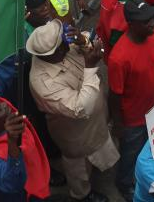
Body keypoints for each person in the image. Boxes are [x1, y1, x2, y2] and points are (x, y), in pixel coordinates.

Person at [27, 20, 116, 202]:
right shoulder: (42, 83)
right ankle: (81, 194)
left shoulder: (65, 47)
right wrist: (90, 67)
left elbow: (97, 44)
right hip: (75, 133)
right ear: (56, 51)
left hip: (97, 121)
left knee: (99, 145)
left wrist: (83, 41)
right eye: (64, 44)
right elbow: (80, 108)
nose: (69, 43)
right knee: (79, 167)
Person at [108, 0, 154, 200]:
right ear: (132, 25)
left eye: (151, 17)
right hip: (133, 119)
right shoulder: (119, 58)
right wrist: (118, 124)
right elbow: (115, 94)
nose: (152, 23)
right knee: (131, 154)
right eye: (146, 20)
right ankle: (124, 183)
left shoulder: (153, 35)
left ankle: (150, 175)